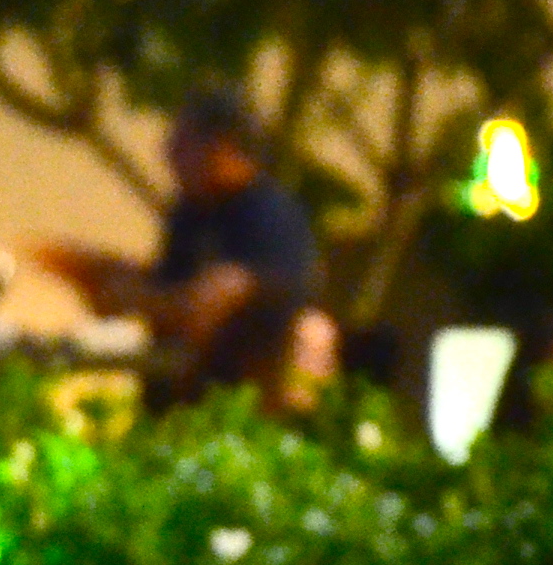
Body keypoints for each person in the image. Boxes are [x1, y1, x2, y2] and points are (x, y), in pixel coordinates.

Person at [32, 90, 331, 412]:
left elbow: (209, 301)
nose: (169, 155)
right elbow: (168, 286)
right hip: (186, 391)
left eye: (182, 143)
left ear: (223, 146)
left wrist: (137, 299)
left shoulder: (270, 215)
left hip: (247, 396)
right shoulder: (190, 213)